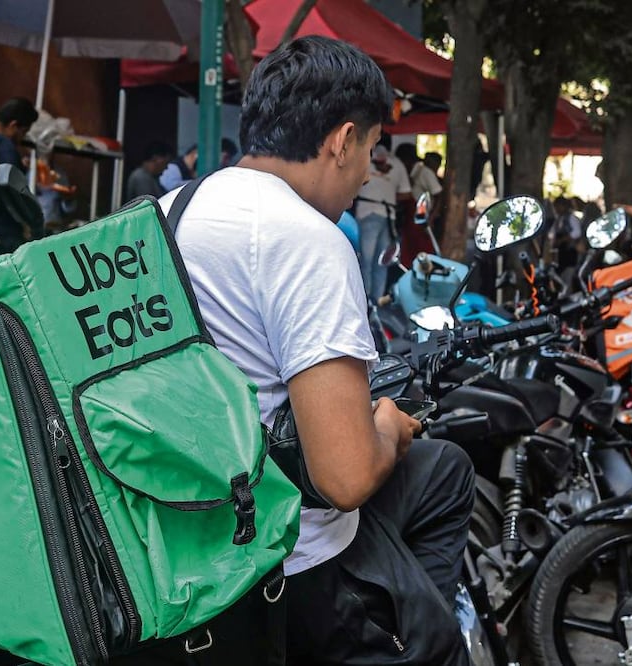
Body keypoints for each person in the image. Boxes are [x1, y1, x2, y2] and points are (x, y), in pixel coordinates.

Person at [156, 35, 473, 666]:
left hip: (175, 538)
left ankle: (407, 608)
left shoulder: (166, 212)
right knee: (438, 642)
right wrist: (383, 424)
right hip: (286, 561)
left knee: (444, 471)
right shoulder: (306, 239)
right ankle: (409, 633)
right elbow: (346, 476)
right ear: (341, 140)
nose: (365, 173)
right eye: (372, 150)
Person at [356, 144, 411, 303]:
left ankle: (365, 302)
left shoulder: (361, 157)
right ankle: (377, 302)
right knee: (382, 261)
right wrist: (388, 197)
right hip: (388, 216)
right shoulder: (397, 164)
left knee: (366, 261)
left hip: (368, 213)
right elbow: (406, 193)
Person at [0, 97, 39, 256]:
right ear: (13, 125)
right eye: (23, 132)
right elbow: (9, 187)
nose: (22, 139)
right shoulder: (4, 146)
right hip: (2, 231)